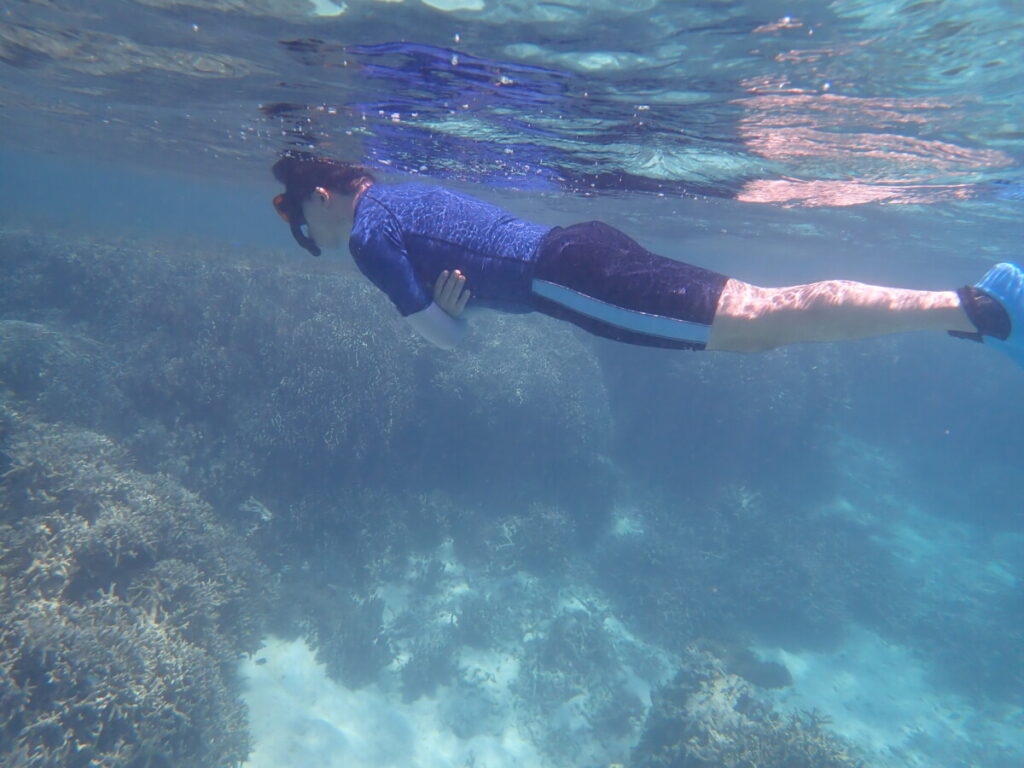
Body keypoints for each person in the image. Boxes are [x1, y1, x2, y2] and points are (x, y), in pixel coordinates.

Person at [271, 155, 1023, 366]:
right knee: (763, 311)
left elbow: (447, 338)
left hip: (568, 281)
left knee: (765, 321)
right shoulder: (403, 195)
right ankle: (971, 313)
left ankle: (979, 310)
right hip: (581, 246)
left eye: (303, 223)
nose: (312, 237)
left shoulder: (368, 235)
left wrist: (452, 316)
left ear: (321, 195)